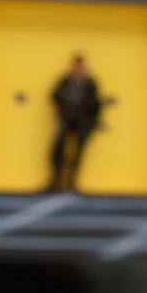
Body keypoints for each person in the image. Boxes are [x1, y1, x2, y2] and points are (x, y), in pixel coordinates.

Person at [49, 53, 103, 191]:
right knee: (58, 151)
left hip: (82, 122)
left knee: (77, 153)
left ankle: (71, 183)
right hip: (66, 119)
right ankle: (55, 181)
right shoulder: (66, 80)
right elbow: (55, 96)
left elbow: (96, 103)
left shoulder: (90, 83)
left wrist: (92, 121)